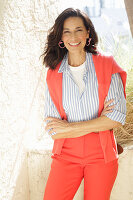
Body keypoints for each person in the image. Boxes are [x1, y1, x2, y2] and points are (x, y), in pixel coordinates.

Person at [41, 8, 127, 200]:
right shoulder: (54, 74)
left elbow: (116, 117)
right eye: (67, 31)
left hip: (102, 155)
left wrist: (69, 127)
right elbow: (54, 130)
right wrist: (98, 122)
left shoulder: (107, 64)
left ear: (88, 32)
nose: (74, 36)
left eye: (79, 29)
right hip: (65, 155)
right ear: (60, 37)